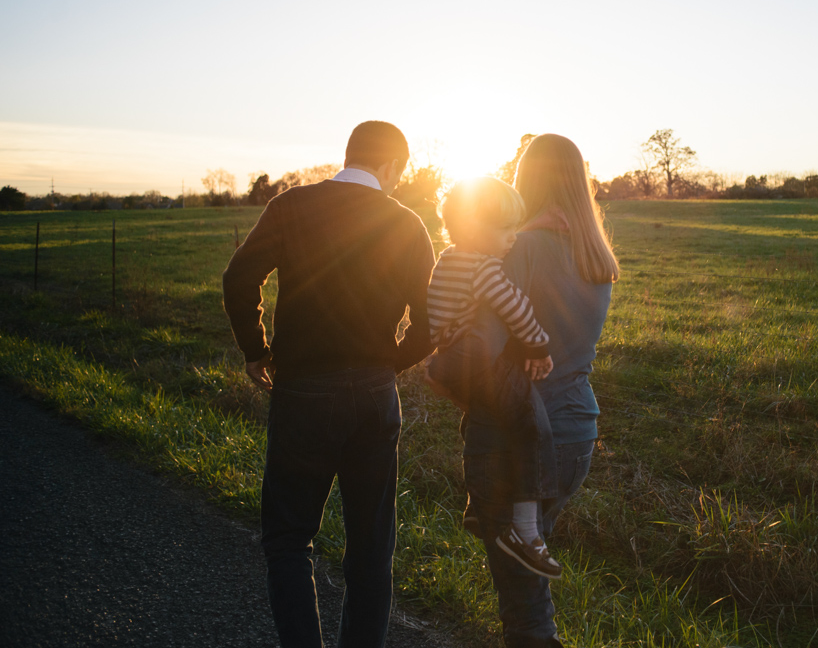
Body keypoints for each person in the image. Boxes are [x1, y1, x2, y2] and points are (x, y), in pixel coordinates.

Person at [222, 121, 435, 648]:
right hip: (374, 395)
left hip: (303, 389)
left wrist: (256, 350)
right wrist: (388, 363)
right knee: (370, 549)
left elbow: (238, 277)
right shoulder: (407, 223)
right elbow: (433, 323)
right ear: (392, 167)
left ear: (350, 155)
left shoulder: (292, 206)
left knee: (290, 539)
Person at [425, 134, 619, 648]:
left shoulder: (514, 250)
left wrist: (434, 368)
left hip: (511, 439)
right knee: (525, 574)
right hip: (577, 432)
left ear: (522, 182)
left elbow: (475, 355)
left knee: (524, 612)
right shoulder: (595, 255)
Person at [425, 177, 560, 580]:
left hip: (449, 359)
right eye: (504, 229)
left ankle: (475, 507)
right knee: (532, 427)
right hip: (474, 360)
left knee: (489, 414)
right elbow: (514, 306)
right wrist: (538, 345)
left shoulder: (448, 259)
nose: (513, 238)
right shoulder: (483, 267)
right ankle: (526, 532)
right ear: (473, 228)